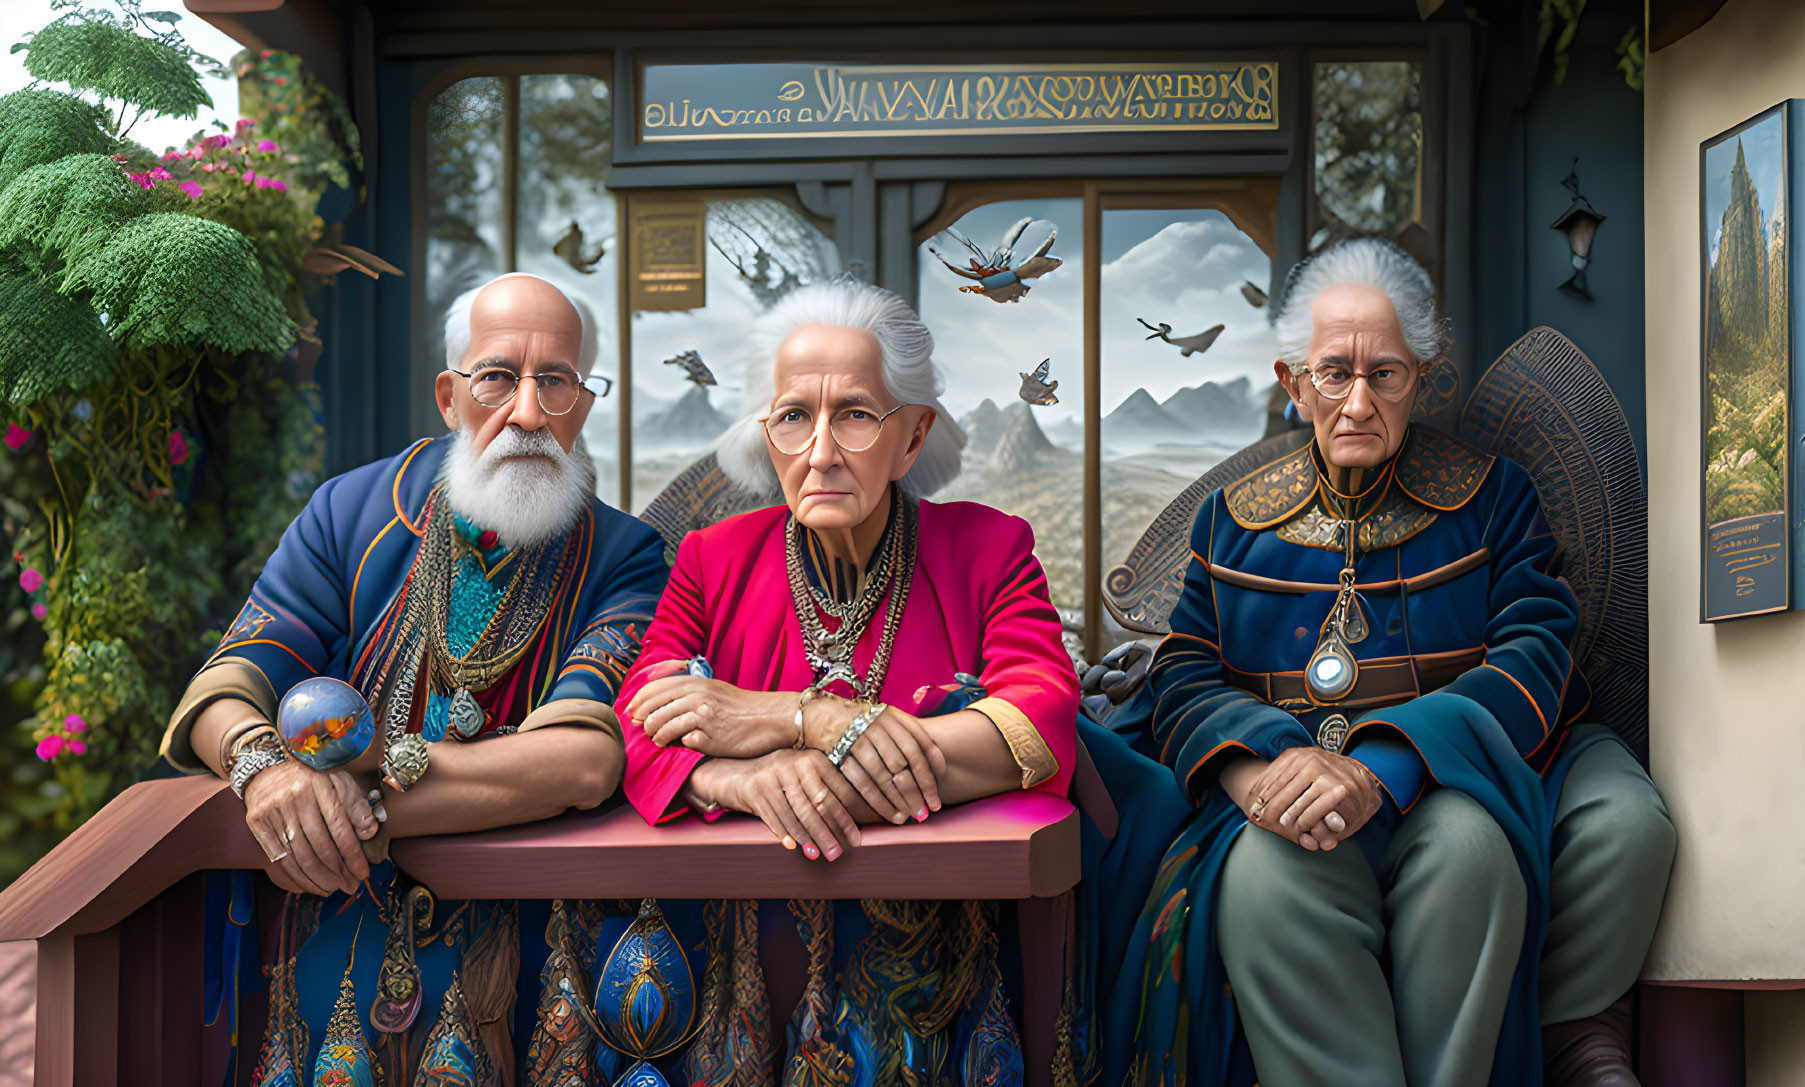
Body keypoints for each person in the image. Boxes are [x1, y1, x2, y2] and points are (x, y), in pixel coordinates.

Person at [1114, 238, 1676, 1087]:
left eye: (1386, 373)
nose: (1357, 401)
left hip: (1460, 766)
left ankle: (1567, 1029)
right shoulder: (1230, 520)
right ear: (1292, 383)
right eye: (1334, 373)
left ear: (1424, 378)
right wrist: (1264, 772)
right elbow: (1185, 672)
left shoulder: (1495, 494)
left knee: (1530, 841)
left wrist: (1379, 767)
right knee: (1268, 879)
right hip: (1290, 782)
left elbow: (1534, 649)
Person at [619, 279, 1186, 1085]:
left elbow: (1037, 723)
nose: (820, 452)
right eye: (792, 417)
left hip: (951, 965)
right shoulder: (713, 559)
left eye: (854, 413)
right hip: (750, 959)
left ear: (912, 436)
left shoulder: (987, 547)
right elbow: (640, 723)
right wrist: (744, 778)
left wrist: (798, 722)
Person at [159, 272, 667, 1085]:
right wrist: (262, 769)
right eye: (497, 377)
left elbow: (581, 758)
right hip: (331, 949)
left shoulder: (628, 555)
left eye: (557, 382)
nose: (528, 413)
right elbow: (229, 684)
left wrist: (348, 800)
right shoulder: (351, 513)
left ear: (584, 402)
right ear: (449, 394)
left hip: (532, 963)